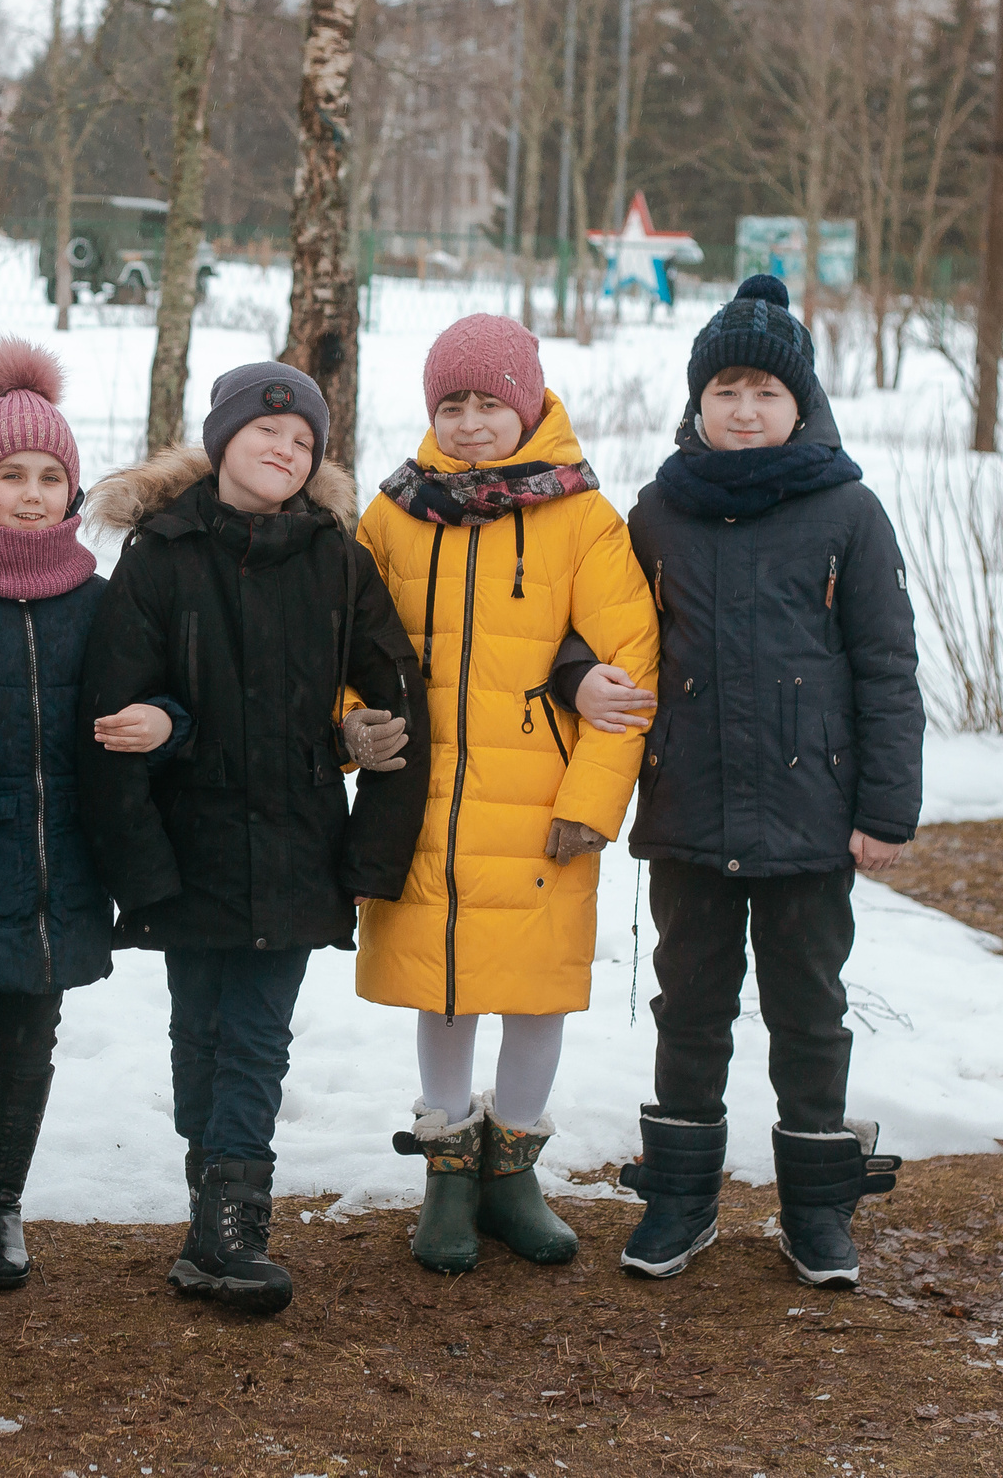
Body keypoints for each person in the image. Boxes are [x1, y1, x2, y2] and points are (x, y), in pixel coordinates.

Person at [79, 361, 431, 1316]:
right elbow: (112, 714)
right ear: (223, 439)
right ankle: (211, 1209)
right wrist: (139, 865)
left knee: (257, 1037)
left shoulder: (335, 558)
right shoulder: (159, 557)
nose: (283, 450)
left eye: (303, 441)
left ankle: (236, 1225)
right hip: (186, 844)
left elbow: (397, 687)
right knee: (200, 1027)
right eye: (265, 432)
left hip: (296, 841)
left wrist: (366, 800)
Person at [601, 273, 923, 1290]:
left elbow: (885, 665)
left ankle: (817, 1212)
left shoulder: (846, 512)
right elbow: (600, 632)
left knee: (808, 1010)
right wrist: (581, 677)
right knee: (687, 1006)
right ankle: (680, 1199)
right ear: (696, 403)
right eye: (725, 390)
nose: (744, 409)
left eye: (765, 393)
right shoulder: (655, 514)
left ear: (801, 404)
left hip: (809, 823)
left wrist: (884, 811)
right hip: (689, 811)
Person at [349, 314, 660, 1274]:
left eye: (490, 403)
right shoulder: (393, 513)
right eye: (453, 404)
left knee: (533, 986)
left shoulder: (581, 518)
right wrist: (350, 721)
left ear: (526, 405)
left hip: (540, 801)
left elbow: (629, 663)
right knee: (442, 981)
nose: (473, 422)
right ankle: (447, 1170)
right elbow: (345, 637)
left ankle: (514, 1166)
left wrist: (592, 800)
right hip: (426, 794)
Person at [0, 339, 192, 1302]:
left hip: (66, 866)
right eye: (11, 474)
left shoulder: (100, 603)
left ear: (72, 492)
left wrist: (166, 723)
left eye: (51, 475)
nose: (31, 492)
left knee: (30, 1044)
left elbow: (171, 700)